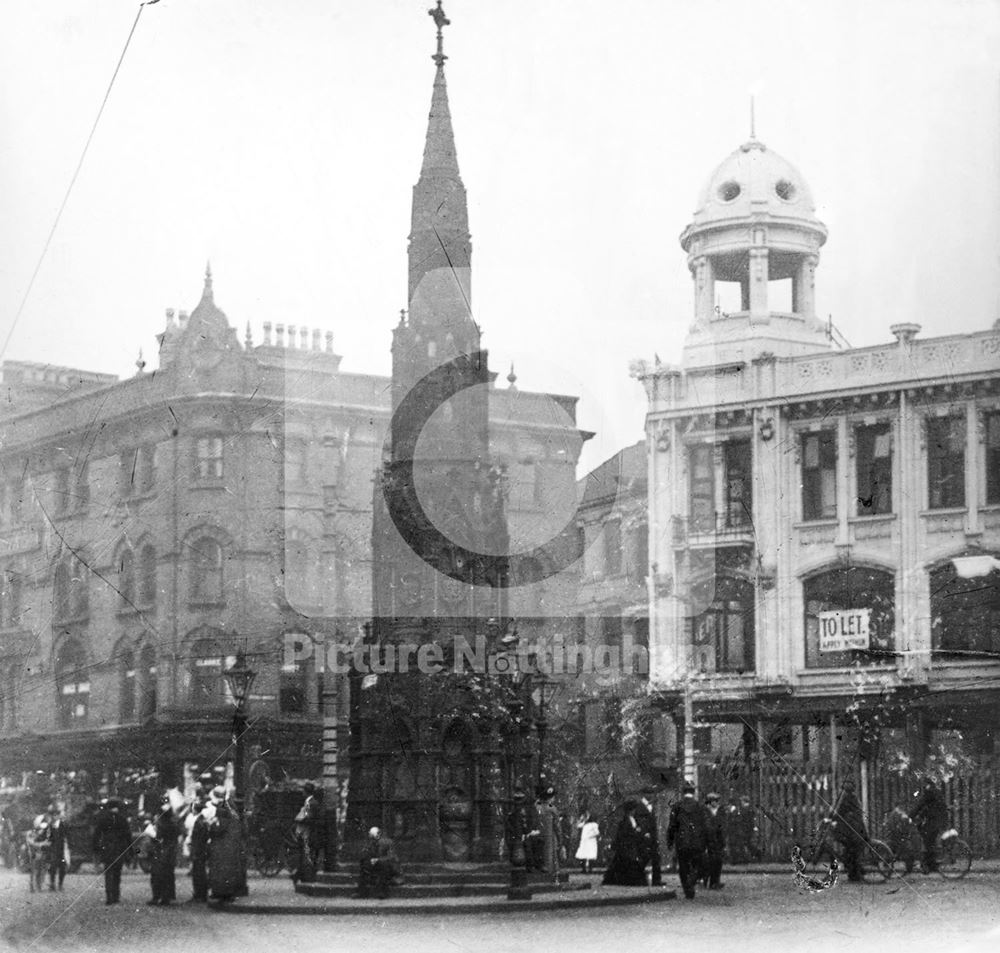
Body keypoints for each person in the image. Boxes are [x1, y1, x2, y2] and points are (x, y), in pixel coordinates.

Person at [666, 782, 707, 900]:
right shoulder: (699, 807)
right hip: (697, 842)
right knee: (698, 865)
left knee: (683, 866)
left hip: (682, 842)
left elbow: (672, 826)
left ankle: (687, 890)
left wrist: (670, 841)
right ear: (693, 793)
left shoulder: (677, 807)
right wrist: (707, 842)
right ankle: (692, 881)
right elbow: (705, 826)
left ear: (683, 793)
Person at [92, 798, 133, 905]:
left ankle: (109, 896)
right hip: (119, 848)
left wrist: (96, 848)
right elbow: (128, 836)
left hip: (107, 848)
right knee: (117, 873)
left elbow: (97, 834)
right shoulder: (122, 819)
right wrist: (130, 850)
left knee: (108, 872)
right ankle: (116, 896)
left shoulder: (103, 818)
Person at [207, 788, 244, 902]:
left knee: (221, 869)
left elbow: (220, 827)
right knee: (228, 869)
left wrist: (211, 825)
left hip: (222, 844)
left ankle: (222, 892)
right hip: (230, 842)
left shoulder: (222, 808)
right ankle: (224, 892)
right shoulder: (230, 805)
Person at [601, 801, 647, 886]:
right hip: (626, 846)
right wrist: (635, 832)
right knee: (627, 863)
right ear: (630, 811)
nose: (635, 811)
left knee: (630, 863)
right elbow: (622, 835)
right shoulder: (624, 822)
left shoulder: (633, 820)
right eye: (633, 810)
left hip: (631, 845)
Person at [910, 778, 949, 874]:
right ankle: (931, 864)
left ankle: (930, 865)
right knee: (930, 840)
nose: (924, 786)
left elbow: (920, 805)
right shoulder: (936, 791)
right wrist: (920, 815)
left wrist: (910, 816)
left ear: (928, 784)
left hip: (935, 821)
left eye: (925, 784)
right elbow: (928, 807)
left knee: (927, 839)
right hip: (939, 819)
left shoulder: (929, 792)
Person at [148, 797, 182, 905]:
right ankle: (167, 896)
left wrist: (152, 834)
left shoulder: (161, 825)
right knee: (168, 874)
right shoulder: (174, 824)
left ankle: (157, 896)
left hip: (161, 850)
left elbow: (157, 838)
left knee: (157, 874)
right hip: (171, 851)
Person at [831, 780, 867, 883]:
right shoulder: (850, 797)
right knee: (849, 851)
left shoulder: (848, 798)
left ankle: (857, 874)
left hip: (855, 831)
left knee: (852, 852)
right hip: (854, 830)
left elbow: (839, 811)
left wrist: (833, 818)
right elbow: (838, 811)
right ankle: (853, 874)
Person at [355, 826, 399, 899]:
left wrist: (378, 860)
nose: (373, 838)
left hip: (387, 867)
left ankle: (382, 892)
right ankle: (361, 892)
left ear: (379, 834)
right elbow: (365, 854)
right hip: (375, 865)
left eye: (374, 835)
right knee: (364, 865)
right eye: (371, 836)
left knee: (384, 867)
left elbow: (392, 857)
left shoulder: (388, 842)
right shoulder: (370, 843)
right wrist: (367, 858)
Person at [636, 788, 662, 886]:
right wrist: (644, 832)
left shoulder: (650, 806)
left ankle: (656, 880)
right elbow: (640, 821)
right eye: (648, 793)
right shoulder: (640, 806)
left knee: (656, 858)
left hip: (652, 837)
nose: (650, 795)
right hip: (645, 837)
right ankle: (639, 878)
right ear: (644, 794)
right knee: (644, 858)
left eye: (651, 793)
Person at [188, 799, 210, 902]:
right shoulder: (202, 820)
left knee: (198, 873)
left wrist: (195, 851)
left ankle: (200, 894)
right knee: (199, 872)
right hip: (200, 850)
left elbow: (198, 839)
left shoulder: (199, 821)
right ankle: (200, 894)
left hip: (199, 850)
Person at [885, 805, 917, 875]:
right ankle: (908, 868)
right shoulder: (899, 813)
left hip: (896, 835)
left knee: (901, 850)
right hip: (897, 836)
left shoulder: (896, 813)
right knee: (907, 850)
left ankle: (888, 865)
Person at [702, 792, 725, 889]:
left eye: (717, 801)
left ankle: (716, 881)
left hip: (718, 839)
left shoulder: (720, 811)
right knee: (710, 862)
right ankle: (709, 881)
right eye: (714, 801)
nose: (716, 803)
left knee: (718, 861)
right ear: (710, 802)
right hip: (708, 840)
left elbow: (724, 824)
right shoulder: (706, 812)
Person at [727, 795, 759, 863]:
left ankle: (750, 857)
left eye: (742, 801)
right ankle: (746, 858)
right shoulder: (745, 809)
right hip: (744, 830)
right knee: (745, 844)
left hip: (745, 830)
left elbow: (744, 820)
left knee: (746, 844)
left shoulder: (746, 810)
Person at [45, 804, 69, 891]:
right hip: (53, 849)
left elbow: (66, 836)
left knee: (62, 867)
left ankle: (60, 884)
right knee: (53, 867)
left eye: (56, 815)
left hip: (61, 849)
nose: (55, 817)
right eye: (53, 815)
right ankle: (52, 884)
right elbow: (48, 837)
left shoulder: (63, 824)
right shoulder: (50, 826)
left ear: (58, 816)